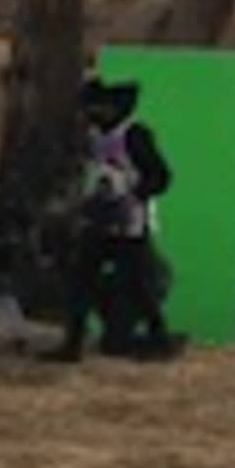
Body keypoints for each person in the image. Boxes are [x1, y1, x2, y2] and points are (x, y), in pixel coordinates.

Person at [58, 76, 179, 361]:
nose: (88, 116)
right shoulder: (95, 138)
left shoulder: (134, 135)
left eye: (93, 109)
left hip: (130, 223)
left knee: (139, 283)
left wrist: (133, 196)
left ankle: (159, 337)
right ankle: (72, 343)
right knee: (80, 278)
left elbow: (161, 176)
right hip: (100, 220)